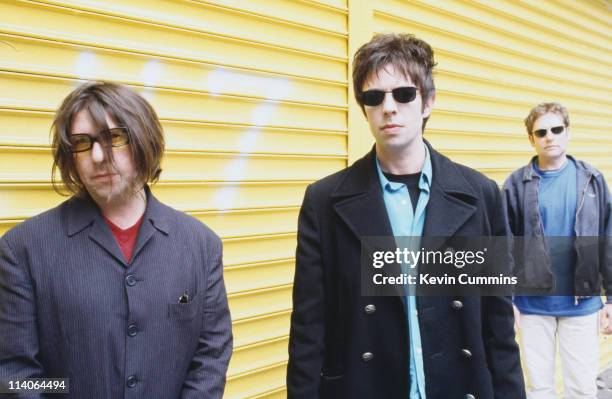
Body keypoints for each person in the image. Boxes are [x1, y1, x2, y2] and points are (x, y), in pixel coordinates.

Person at [287, 33, 525, 399]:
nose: (389, 107)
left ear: (427, 101)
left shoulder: (480, 195)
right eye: (374, 97)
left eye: (403, 94)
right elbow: (308, 329)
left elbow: (498, 325)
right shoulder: (324, 202)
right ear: (363, 107)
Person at [0, 81, 232, 398]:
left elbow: (211, 358)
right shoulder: (23, 249)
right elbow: (15, 374)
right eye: (82, 143)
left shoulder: (201, 246)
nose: (97, 155)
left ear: (143, 140)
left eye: (114, 137)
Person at [503, 102, 612, 399]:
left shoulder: (593, 180)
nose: (549, 136)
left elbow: (608, 240)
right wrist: (507, 298)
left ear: (567, 132)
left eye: (556, 129)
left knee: (582, 388)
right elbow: (505, 246)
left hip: (582, 304)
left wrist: (611, 299)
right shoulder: (515, 185)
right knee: (539, 389)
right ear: (531, 139)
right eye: (541, 132)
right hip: (532, 306)